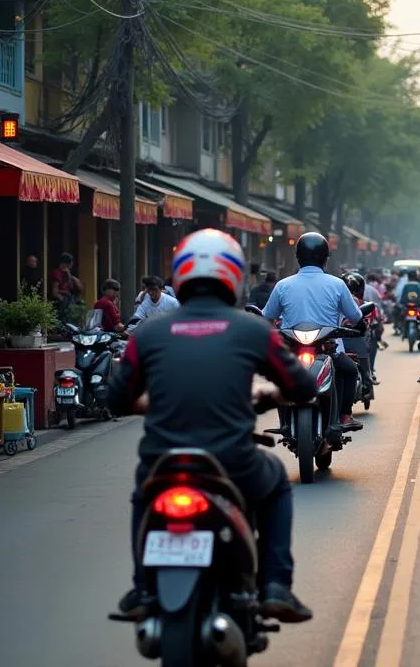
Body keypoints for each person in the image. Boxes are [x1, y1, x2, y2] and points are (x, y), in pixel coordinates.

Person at [106, 229, 317, 624]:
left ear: (179, 276)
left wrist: (148, 403)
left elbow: (115, 398)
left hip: (162, 463)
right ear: (233, 276)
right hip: (233, 462)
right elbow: (303, 386)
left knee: (142, 493)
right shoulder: (252, 330)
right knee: (276, 485)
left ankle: (142, 586)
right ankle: (275, 586)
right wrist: (269, 396)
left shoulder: (149, 332)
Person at [262, 233, 365, 431]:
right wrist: (361, 326)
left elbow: (268, 315)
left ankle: (283, 421)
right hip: (327, 348)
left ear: (298, 256)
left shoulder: (283, 285)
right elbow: (355, 315)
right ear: (325, 257)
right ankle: (345, 415)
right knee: (350, 370)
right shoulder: (337, 284)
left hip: (292, 348)